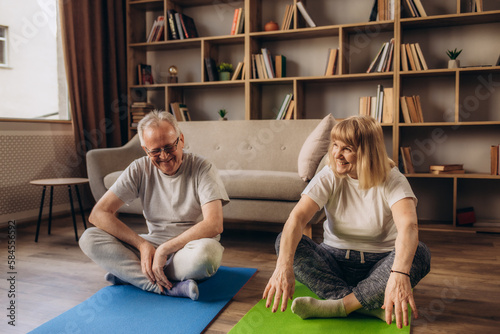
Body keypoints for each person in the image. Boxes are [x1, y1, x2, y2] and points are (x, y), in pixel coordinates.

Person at [263, 115, 431, 329]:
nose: (337, 154)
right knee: (284, 242)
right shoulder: (329, 175)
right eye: (335, 145)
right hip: (334, 260)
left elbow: (409, 226)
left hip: (380, 264)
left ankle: (338, 305)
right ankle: (365, 305)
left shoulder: (393, 180)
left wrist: (398, 274)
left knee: (420, 253)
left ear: (367, 152)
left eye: (347, 149)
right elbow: (297, 219)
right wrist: (282, 266)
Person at [79, 110, 229, 300]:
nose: (164, 156)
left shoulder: (203, 168)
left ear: (181, 140)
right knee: (89, 238)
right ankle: (166, 287)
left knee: (206, 257)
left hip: (192, 247)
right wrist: (142, 245)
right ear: (145, 149)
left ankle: (131, 275)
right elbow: (98, 214)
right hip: (153, 245)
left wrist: (164, 250)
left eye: (169, 147)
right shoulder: (139, 168)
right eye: (155, 151)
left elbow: (214, 224)